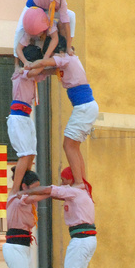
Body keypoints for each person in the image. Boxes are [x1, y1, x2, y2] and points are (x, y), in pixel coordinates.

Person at [19, 168, 96, 268]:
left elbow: (49, 189)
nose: (62, 183)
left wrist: (25, 192)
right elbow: (52, 194)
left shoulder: (73, 191)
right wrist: (37, 195)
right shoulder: (79, 192)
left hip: (81, 239)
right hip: (87, 238)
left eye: (64, 179)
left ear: (71, 179)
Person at [27, 51, 98, 186]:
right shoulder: (67, 64)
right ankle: (81, 180)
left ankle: (78, 182)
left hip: (83, 107)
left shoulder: (66, 58)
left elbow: (43, 63)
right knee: (74, 147)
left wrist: (27, 65)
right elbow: (48, 70)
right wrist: (34, 74)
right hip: (86, 107)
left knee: (68, 145)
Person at [2, 171, 41, 268]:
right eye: (35, 187)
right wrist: (55, 191)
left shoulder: (31, 200)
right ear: (24, 186)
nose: (38, 190)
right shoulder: (18, 198)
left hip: (25, 247)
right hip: (15, 246)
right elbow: (34, 196)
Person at [7, 37, 45, 189]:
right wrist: (45, 59)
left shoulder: (31, 74)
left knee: (31, 155)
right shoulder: (22, 72)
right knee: (24, 154)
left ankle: (24, 179)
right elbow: (38, 69)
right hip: (18, 117)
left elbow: (44, 71)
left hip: (26, 117)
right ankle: (15, 189)